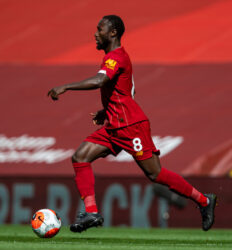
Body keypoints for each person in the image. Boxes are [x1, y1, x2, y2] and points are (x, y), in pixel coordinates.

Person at [47, 15, 217, 232]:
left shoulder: (116, 57)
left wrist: (66, 87)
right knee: (80, 157)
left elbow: (101, 81)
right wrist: (106, 110)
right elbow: (128, 91)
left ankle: (204, 201)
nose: (95, 33)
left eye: (100, 29)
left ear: (113, 33)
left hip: (131, 127)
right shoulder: (115, 58)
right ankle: (91, 213)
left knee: (155, 174)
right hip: (114, 126)